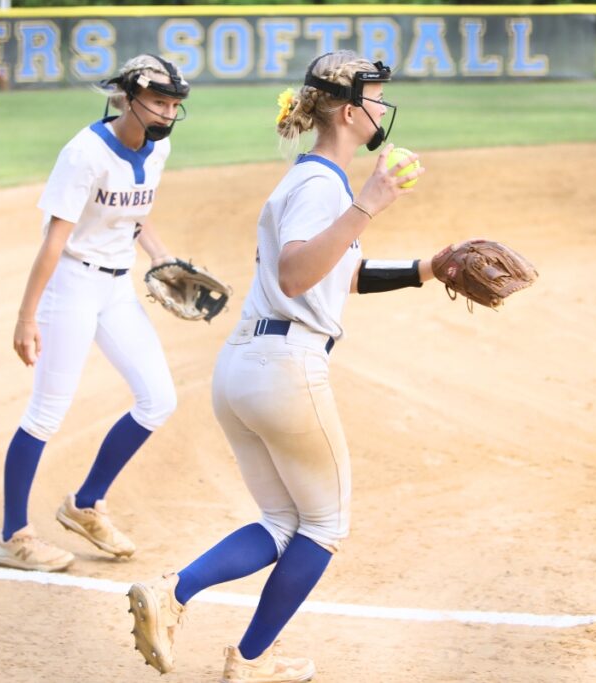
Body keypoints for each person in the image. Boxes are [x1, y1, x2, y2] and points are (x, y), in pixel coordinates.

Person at [126, 50, 443, 682]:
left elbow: (339, 272)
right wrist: (371, 202)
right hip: (286, 367)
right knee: (324, 526)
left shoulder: (312, 181)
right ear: (348, 112)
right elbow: (297, 274)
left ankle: (175, 593)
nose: (382, 106)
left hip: (247, 365)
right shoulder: (323, 186)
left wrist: (429, 269)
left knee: (283, 522)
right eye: (375, 96)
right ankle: (248, 658)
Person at [0, 54, 192, 572]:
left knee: (158, 399)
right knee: (47, 412)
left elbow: (135, 214)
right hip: (72, 286)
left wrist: (161, 256)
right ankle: (12, 536)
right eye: (159, 102)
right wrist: (26, 316)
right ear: (128, 97)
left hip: (117, 286)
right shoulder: (83, 154)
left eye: (174, 104)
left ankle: (85, 503)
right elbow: (54, 241)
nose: (168, 113)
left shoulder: (159, 146)